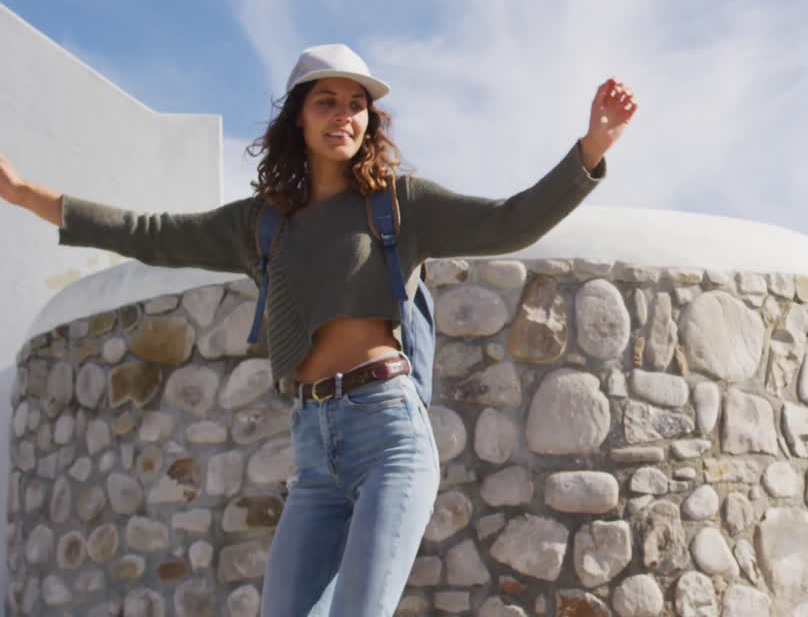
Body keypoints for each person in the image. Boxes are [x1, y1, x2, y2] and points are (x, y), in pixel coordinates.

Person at [0, 43, 638, 616]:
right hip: (313, 455)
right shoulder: (261, 223)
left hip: (387, 435)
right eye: (326, 101)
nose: (344, 115)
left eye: (357, 105)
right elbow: (150, 235)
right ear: (297, 120)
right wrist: (26, 192)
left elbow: (511, 223)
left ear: (369, 121)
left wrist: (590, 149)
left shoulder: (399, 204)